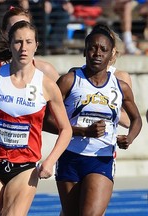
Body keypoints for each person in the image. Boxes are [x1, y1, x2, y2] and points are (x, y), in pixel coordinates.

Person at [0, 21, 72, 215]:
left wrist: (50, 161)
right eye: (18, 42)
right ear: (10, 45)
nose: (23, 48)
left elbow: (65, 129)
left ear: (36, 45)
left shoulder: (47, 86)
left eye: (28, 42)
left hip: (25, 167)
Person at [54, 24, 142, 216]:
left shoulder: (120, 86)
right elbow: (45, 121)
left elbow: (136, 119)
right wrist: (82, 131)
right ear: (85, 51)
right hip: (69, 156)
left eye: (103, 49)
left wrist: (130, 137)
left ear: (111, 55)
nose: (97, 53)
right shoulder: (69, 81)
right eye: (93, 48)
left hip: (101, 159)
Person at [0, 6, 60, 100]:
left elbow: (65, 103)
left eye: (25, 26)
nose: (21, 32)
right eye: (15, 28)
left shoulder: (45, 70)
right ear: (4, 33)